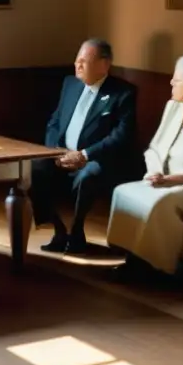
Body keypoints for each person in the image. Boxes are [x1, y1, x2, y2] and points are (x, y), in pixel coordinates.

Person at [106, 56, 183, 275]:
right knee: (123, 192)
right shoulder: (173, 106)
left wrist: (172, 179)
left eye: (176, 80)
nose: (171, 84)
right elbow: (155, 148)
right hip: (163, 179)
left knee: (158, 203)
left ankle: (161, 266)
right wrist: (155, 172)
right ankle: (133, 258)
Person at [32, 39, 139, 254]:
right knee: (32, 169)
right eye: (76, 60)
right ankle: (58, 229)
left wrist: (84, 155)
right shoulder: (70, 84)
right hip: (61, 154)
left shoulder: (123, 93)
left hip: (96, 159)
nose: (76, 65)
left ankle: (77, 230)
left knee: (89, 175)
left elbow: (121, 136)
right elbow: (54, 122)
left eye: (83, 61)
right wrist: (55, 151)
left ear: (104, 64)